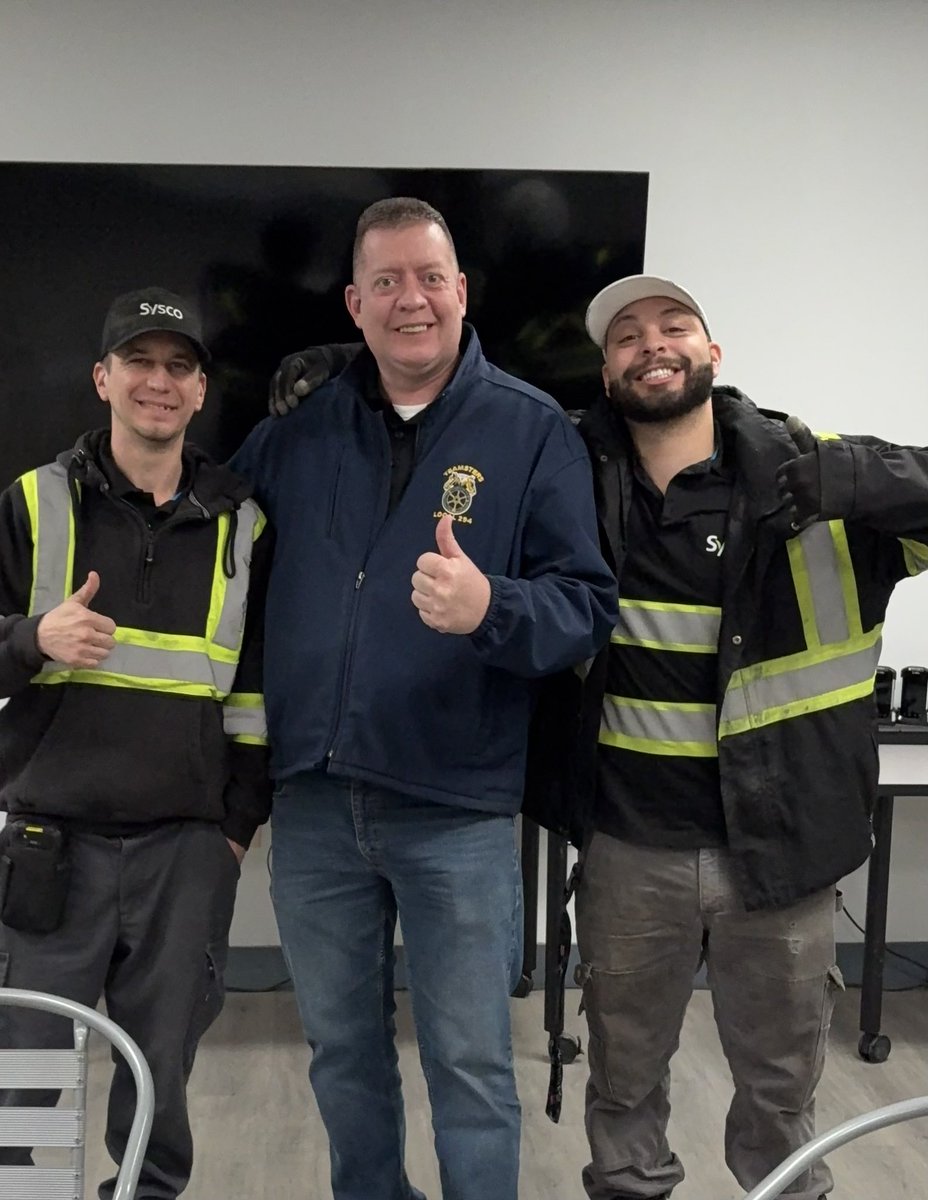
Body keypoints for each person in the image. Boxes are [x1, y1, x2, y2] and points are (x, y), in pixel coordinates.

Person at [233, 196, 617, 1200]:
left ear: (461, 292)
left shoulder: (530, 429)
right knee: (341, 1055)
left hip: (456, 808)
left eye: (430, 277)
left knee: (470, 1064)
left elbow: (584, 608)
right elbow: (209, 541)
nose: (414, 299)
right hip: (315, 802)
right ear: (356, 305)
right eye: (389, 282)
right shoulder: (299, 429)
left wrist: (492, 605)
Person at [550, 274, 928, 1200]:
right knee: (623, 1086)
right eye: (628, 336)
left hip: (784, 858)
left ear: (714, 356)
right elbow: (446, 436)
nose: (653, 344)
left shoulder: (817, 472)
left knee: (778, 1096)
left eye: (673, 325)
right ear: (606, 374)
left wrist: (865, 477)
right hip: (630, 850)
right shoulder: (567, 480)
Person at [0, 286, 272, 1200]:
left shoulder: (244, 521)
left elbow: (257, 696)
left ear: (200, 391)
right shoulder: (32, 502)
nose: (159, 382)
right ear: (103, 378)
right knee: (23, 1079)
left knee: (161, 1079)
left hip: (184, 851)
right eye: (140, 363)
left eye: (179, 367)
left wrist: (231, 832)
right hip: (50, 848)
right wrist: (30, 640)